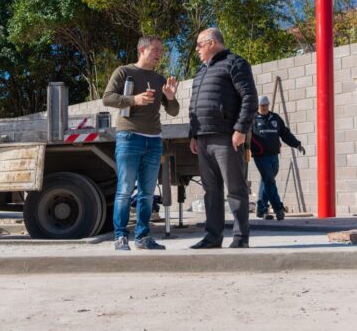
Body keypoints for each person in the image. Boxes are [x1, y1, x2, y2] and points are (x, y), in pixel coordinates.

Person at [103, 35, 179, 251]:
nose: (159, 54)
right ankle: (120, 237)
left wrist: (171, 97)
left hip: (154, 140)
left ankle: (143, 237)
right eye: (156, 50)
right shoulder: (124, 72)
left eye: (161, 51)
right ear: (142, 50)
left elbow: (173, 112)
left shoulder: (159, 79)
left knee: (147, 192)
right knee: (125, 189)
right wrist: (133, 100)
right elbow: (107, 97)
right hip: (129, 138)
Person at [188, 28, 258, 249]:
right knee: (211, 191)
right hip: (203, 138)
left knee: (235, 189)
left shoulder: (235, 63)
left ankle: (240, 238)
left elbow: (249, 97)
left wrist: (240, 129)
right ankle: (212, 237)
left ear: (210, 43)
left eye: (199, 45)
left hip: (226, 137)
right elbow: (193, 106)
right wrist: (193, 134)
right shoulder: (200, 72)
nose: (197, 50)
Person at [250, 95, 305, 221]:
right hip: (260, 156)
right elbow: (245, 136)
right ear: (257, 106)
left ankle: (261, 210)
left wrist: (296, 144)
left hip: (274, 155)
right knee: (269, 181)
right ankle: (278, 208)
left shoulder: (275, 118)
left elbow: (285, 133)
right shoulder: (252, 119)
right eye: (262, 106)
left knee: (266, 181)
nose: (264, 108)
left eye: (266, 105)